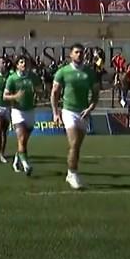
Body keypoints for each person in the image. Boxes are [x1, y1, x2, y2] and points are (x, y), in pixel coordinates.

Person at [51, 43, 99, 190]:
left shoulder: (90, 73)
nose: (79, 55)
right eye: (76, 52)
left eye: (81, 52)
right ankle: (73, 173)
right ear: (71, 55)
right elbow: (54, 93)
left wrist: (90, 108)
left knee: (77, 146)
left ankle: (71, 172)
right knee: (74, 143)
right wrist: (55, 112)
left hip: (83, 112)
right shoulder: (63, 72)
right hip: (68, 111)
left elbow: (96, 93)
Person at [2, 56, 41, 176]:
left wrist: (37, 93)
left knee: (23, 142)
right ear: (17, 65)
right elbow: (5, 96)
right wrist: (15, 97)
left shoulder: (33, 77)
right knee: (22, 138)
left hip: (30, 111)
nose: (24, 64)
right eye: (21, 62)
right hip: (17, 111)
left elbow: (40, 90)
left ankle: (16, 159)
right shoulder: (12, 78)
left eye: (26, 62)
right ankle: (26, 165)